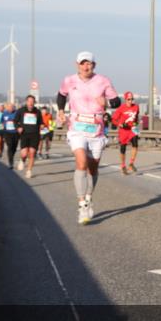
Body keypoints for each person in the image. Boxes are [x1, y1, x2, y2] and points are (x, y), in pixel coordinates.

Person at [57, 51, 120, 225]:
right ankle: (82, 205)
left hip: (96, 129)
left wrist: (106, 103)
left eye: (89, 63)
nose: (86, 66)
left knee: (92, 169)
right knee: (81, 163)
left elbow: (117, 102)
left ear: (94, 65)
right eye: (83, 63)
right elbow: (61, 95)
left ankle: (89, 197)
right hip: (77, 127)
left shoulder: (103, 81)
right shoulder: (69, 80)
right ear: (77, 65)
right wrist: (61, 111)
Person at [111, 91, 141, 174]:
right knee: (123, 148)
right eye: (129, 99)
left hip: (132, 129)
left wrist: (136, 122)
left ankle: (131, 163)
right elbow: (113, 120)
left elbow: (136, 116)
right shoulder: (121, 108)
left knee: (135, 144)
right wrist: (120, 124)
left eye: (132, 99)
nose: (130, 101)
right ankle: (123, 165)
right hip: (123, 130)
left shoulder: (136, 107)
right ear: (125, 99)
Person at [14, 95, 42, 179]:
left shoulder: (37, 112)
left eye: (32, 101)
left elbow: (41, 122)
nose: (31, 103)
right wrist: (18, 127)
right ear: (26, 102)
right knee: (24, 153)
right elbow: (15, 121)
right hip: (24, 134)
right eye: (29, 101)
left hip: (35, 134)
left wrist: (42, 125)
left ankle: (29, 171)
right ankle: (22, 160)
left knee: (32, 153)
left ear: (34, 102)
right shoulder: (21, 111)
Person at [0, 101, 20, 169]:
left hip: (16, 132)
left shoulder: (17, 113)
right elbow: (2, 122)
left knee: (14, 147)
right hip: (7, 132)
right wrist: (2, 126)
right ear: (7, 108)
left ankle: (12, 156)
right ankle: (10, 162)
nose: (11, 108)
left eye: (12, 107)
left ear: (14, 107)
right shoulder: (4, 114)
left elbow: (20, 121)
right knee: (10, 146)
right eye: (10, 107)